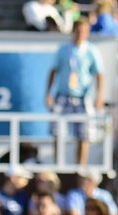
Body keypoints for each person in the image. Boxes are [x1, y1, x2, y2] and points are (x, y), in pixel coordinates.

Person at [45, 16, 106, 169]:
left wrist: (99, 96)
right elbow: (53, 71)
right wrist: (49, 93)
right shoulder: (64, 50)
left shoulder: (91, 51)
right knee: (58, 131)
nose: (80, 34)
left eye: (84, 31)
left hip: (82, 95)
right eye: (78, 30)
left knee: (84, 134)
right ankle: (58, 164)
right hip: (63, 94)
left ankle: (81, 166)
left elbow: (99, 74)